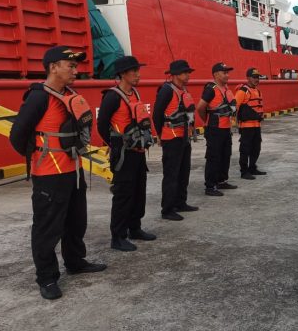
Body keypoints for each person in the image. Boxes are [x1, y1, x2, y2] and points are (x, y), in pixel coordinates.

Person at [9, 46, 106, 300]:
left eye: (75, 67)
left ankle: (75, 262)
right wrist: (39, 157)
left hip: (73, 171)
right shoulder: (39, 97)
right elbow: (17, 136)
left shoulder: (69, 94)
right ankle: (47, 278)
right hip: (49, 174)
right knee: (47, 228)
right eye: (70, 66)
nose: (75, 71)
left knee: (76, 221)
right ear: (53, 67)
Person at [97, 56, 156, 252]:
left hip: (138, 152)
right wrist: (115, 143)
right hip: (123, 153)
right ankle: (118, 236)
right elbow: (101, 125)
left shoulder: (134, 94)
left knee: (139, 190)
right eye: (134, 71)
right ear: (123, 74)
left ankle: (135, 227)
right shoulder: (112, 97)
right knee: (123, 194)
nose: (138, 75)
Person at [153, 60, 199, 221]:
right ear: (175, 75)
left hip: (184, 138)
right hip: (171, 138)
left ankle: (181, 202)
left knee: (184, 172)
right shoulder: (166, 90)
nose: (188, 75)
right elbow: (157, 114)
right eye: (185, 73)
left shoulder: (183, 90)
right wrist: (159, 134)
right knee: (171, 174)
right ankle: (167, 209)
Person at [197, 62, 238, 196]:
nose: (227, 75)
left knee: (225, 155)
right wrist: (207, 121)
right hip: (215, 129)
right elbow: (200, 107)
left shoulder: (226, 89)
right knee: (214, 157)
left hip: (226, 128)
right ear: (215, 74)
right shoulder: (211, 89)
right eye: (224, 72)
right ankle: (210, 186)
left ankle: (221, 181)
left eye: (228, 72)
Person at [235, 67, 267, 180]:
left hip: (256, 126)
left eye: (258, 77)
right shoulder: (243, 91)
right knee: (245, 149)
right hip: (246, 126)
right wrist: (235, 123)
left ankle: (252, 167)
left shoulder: (258, 91)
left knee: (256, 148)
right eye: (254, 77)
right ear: (248, 78)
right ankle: (244, 171)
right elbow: (235, 108)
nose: (256, 79)